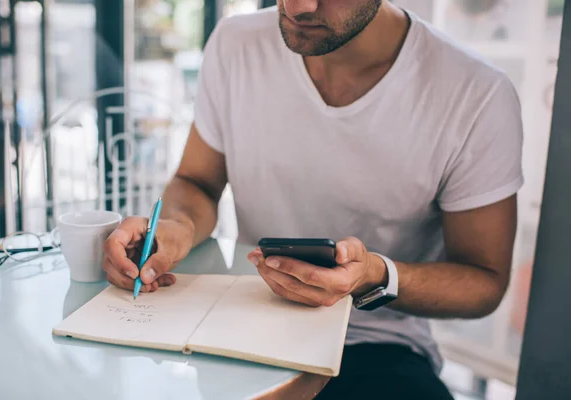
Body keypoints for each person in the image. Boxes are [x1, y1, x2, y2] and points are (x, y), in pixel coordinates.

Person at [103, 0, 523, 398]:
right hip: (241, 321)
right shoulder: (235, 44)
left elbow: (484, 281)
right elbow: (197, 181)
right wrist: (176, 227)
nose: (299, 7)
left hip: (372, 344)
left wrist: (374, 274)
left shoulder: (475, 94)